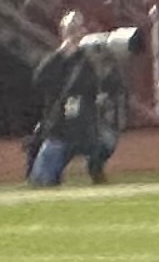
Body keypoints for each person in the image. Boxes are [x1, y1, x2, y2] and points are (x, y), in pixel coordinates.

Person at [27, 12, 141, 186]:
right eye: (72, 29)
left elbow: (112, 85)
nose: (77, 33)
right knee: (42, 181)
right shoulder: (57, 60)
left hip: (88, 128)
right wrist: (63, 53)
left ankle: (96, 169)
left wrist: (102, 61)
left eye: (79, 28)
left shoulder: (92, 59)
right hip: (60, 129)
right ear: (63, 32)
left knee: (108, 140)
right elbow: (40, 79)